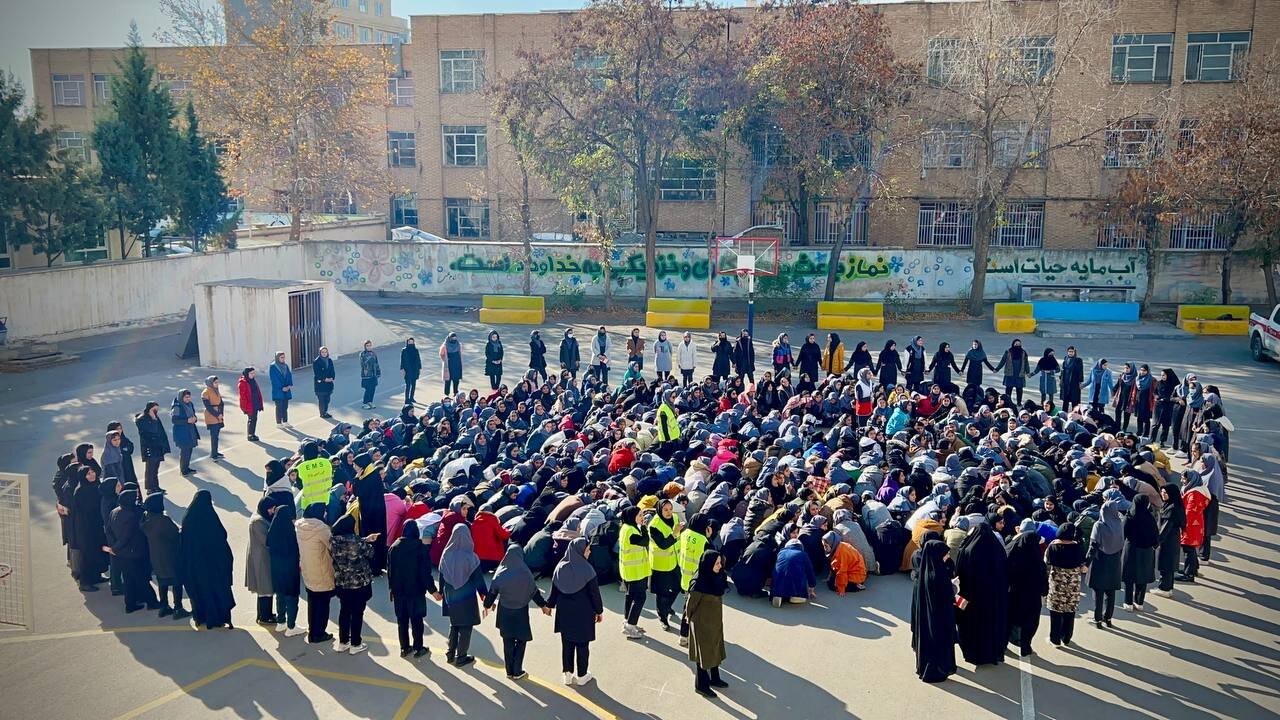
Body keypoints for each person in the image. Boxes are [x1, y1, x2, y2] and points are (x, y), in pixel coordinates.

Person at [484, 544, 549, 679]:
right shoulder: (525, 572)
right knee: (521, 640)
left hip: (504, 611)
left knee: (507, 641)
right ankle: (517, 670)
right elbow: (534, 592)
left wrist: (487, 605)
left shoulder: (501, 571)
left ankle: (509, 671)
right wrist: (543, 606)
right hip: (520, 612)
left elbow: (492, 592)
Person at [547, 537, 603, 687]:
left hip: (564, 613)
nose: (589, 552)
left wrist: (549, 605)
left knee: (567, 643)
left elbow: (554, 592)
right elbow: (594, 594)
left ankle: (567, 673)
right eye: (587, 549)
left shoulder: (560, 567)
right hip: (583, 613)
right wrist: (599, 611)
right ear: (580, 550)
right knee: (582, 645)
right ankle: (582, 675)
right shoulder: (587, 570)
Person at [954, 514, 1009, 666]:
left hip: (970, 599)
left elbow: (958, 573)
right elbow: (1004, 575)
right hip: (993, 599)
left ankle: (972, 654)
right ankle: (991, 655)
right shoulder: (997, 550)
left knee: (971, 627)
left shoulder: (967, 550)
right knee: (990, 627)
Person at [180, 490, 236, 629]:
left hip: (196, 566)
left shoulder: (188, 519)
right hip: (214, 566)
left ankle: (202, 618)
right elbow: (222, 536)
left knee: (201, 592)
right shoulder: (211, 518)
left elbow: (184, 544)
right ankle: (219, 618)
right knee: (217, 592)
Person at [387, 519, 438, 658]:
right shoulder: (420, 548)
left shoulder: (394, 547)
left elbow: (390, 571)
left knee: (402, 620)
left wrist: (392, 589)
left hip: (399, 592)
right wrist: (433, 590)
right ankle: (418, 647)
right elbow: (425, 573)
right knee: (417, 620)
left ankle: (404, 648)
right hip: (416, 592)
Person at [438, 524, 487, 667]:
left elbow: (441, 576)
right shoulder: (471, 557)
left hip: (450, 595)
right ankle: (461, 657)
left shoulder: (445, 554)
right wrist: (484, 595)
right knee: (466, 626)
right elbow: (478, 579)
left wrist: (440, 592)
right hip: (466, 596)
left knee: (454, 623)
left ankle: (450, 653)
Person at [106, 486, 157, 613]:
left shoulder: (114, 512)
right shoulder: (131, 515)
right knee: (142, 578)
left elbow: (109, 530)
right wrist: (115, 548)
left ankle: (130, 604)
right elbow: (126, 536)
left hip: (123, 554)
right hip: (134, 552)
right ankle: (152, 602)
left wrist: (114, 547)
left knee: (128, 580)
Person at [331, 514, 377, 654]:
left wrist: (364, 539)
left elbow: (349, 544)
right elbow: (370, 553)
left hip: (342, 582)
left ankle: (343, 642)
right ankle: (356, 644)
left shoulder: (333, 541)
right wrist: (367, 542)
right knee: (357, 613)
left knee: (344, 611)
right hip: (359, 583)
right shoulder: (356, 541)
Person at [912, 539, 957, 683]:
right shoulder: (938, 574)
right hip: (939, 618)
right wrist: (954, 587)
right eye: (945, 554)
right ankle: (937, 671)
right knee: (939, 644)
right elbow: (947, 595)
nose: (947, 556)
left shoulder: (925, 573)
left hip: (927, 618)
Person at [686, 550, 729, 698]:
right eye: (716, 563)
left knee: (715, 649)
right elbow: (690, 604)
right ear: (708, 564)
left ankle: (714, 678)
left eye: (720, 562)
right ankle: (701, 685)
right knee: (703, 654)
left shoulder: (717, 577)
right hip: (702, 624)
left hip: (715, 622)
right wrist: (688, 618)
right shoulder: (699, 583)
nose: (720, 566)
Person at [1005, 519, 1048, 656]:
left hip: (1013, 591)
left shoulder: (1011, 547)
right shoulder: (1035, 550)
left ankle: (1004, 644)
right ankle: (1025, 646)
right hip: (1032, 593)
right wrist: (1044, 590)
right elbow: (1042, 572)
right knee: (1030, 620)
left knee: (1010, 617)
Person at [141, 493, 187, 618]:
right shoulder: (163, 520)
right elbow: (175, 535)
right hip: (170, 555)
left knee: (162, 582)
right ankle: (178, 608)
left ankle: (164, 606)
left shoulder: (146, 520)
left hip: (156, 556)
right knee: (177, 582)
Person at [296, 503, 336, 644]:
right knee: (323, 604)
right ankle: (319, 633)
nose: (326, 514)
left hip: (308, 569)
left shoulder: (299, 526)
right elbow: (332, 546)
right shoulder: (321, 529)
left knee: (312, 602)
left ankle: (312, 631)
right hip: (321, 571)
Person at [267, 502, 305, 636]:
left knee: (280, 595)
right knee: (292, 598)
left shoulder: (272, 531)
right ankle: (291, 626)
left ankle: (281, 621)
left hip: (276, 570)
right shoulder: (290, 532)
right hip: (290, 570)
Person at [1045, 522, 1086, 646]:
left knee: (1056, 611)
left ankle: (1055, 639)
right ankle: (1066, 637)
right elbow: (1082, 563)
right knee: (1070, 610)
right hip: (1073, 584)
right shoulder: (1077, 547)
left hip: (1057, 583)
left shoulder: (1053, 546)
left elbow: (1046, 561)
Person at [1087, 499, 1124, 628]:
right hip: (1115, 561)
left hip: (1100, 561)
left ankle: (1097, 619)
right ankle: (1108, 618)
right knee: (1111, 592)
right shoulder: (1119, 523)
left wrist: (1086, 563)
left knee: (1098, 592)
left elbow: (1093, 546)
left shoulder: (1099, 525)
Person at [648, 498, 682, 630]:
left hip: (674, 561)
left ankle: (667, 607)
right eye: (665, 510)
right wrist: (675, 533)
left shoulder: (675, 518)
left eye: (670, 509)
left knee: (677, 587)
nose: (669, 512)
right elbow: (663, 544)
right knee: (662, 594)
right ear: (659, 510)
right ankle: (662, 617)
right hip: (660, 565)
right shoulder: (654, 525)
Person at [618, 505, 650, 639]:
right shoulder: (631, 530)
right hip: (636, 571)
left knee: (630, 596)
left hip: (629, 569)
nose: (643, 518)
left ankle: (628, 621)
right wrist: (644, 528)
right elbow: (645, 541)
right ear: (632, 517)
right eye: (640, 515)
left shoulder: (626, 528)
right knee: (640, 597)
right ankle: (630, 626)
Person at [1121, 494, 1158, 611]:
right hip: (1146, 551)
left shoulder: (1130, 517)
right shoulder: (1150, 518)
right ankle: (1139, 602)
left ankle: (1128, 603)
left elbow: (1123, 534)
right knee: (1142, 577)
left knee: (1129, 577)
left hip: (1131, 550)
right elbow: (1156, 537)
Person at [246, 497, 277, 627]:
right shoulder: (258, 522)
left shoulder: (260, 517)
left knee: (265, 587)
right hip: (261, 559)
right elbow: (266, 541)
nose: (272, 511)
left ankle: (265, 614)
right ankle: (265, 616)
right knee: (265, 588)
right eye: (271, 509)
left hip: (262, 557)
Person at [1151, 483, 1184, 598]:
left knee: (1165, 564)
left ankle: (1163, 588)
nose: (1163, 494)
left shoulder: (1171, 509)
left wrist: (1156, 542)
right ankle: (1168, 587)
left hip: (1168, 540)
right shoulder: (1173, 504)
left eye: (1166, 493)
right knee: (1169, 565)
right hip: (1173, 538)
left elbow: (1165, 528)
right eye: (1162, 492)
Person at [1178, 470, 1210, 582]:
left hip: (1190, 525)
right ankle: (1193, 568)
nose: (1182, 481)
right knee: (1190, 548)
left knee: (1188, 549)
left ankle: (1189, 574)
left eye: (1184, 478)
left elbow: (1190, 512)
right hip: (1195, 524)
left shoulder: (1194, 493)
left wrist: (1182, 524)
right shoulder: (1199, 490)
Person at [770, 532, 816, 607]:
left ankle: (778, 595)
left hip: (778, 583)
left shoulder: (781, 552)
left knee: (781, 574)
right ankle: (795, 597)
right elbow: (810, 572)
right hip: (794, 584)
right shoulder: (803, 554)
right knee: (800, 572)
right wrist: (811, 588)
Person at [136, 401, 171, 491]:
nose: (156, 411)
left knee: (155, 468)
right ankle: (150, 488)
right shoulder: (142, 419)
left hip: (157, 446)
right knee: (150, 469)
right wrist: (153, 419)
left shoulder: (155, 417)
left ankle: (156, 486)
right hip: (149, 447)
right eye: (154, 409)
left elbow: (160, 431)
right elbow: (152, 431)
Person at [823, 531, 867, 595]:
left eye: (826, 546)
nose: (824, 548)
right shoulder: (838, 546)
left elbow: (842, 571)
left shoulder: (842, 553)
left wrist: (841, 589)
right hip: (850, 570)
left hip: (855, 574)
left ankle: (856, 586)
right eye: (824, 545)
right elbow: (834, 565)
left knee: (831, 586)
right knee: (831, 581)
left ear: (832, 543)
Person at [170, 390, 200, 476]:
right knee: (185, 452)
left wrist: (195, 419)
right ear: (181, 397)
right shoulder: (177, 407)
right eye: (186, 397)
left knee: (189, 450)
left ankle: (186, 467)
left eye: (189, 397)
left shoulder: (190, 404)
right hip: (182, 433)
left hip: (190, 431)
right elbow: (174, 420)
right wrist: (187, 420)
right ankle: (183, 470)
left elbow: (193, 414)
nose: (188, 399)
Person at [993, 339, 1030, 405]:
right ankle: (1008, 402)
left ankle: (1019, 403)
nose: (1017, 345)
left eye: (1019, 344)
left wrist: (1028, 372)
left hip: (1019, 374)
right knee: (1009, 388)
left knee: (1019, 389)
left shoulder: (1023, 352)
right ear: (1013, 344)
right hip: (1010, 373)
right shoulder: (1008, 352)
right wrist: (997, 369)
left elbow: (1026, 363)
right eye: (1016, 344)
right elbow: (1003, 361)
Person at [200, 376, 225, 460]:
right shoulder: (206, 392)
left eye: (217, 382)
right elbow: (208, 407)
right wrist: (217, 414)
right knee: (214, 435)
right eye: (215, 382)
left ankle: (215, 451)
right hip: (211, 416)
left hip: (218, 415)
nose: (217, 384)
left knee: (216, 435)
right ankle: (213, 454)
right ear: (211, 383)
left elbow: (221, 403)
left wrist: (221, 413)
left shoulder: (216, 391)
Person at [237, 368, 265, 442]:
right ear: (247, 374)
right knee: (251, 419)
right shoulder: (243, 383)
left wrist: (260, 403)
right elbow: (242, 397)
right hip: (249, 405)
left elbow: (257, 392)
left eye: (253, 373)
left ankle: (252, 433)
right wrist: (245, 407)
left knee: (254, 419)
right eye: (251, 373)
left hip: (255, 403)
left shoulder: (253, 381)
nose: (253, 375)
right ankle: (250, 435)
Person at [1153, 368, 1179, 445]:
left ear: (1168, 375)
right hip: (1158, 406)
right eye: (1161, 375)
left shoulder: (1175, 385)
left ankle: (1162, 441)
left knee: (1166, 425)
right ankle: (1152, 440)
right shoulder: (1159, 383)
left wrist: (1165, 399)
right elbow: (1155, 392)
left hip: (1168, 407)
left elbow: (1175, 396)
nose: (1162, 377)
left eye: (1164, 375)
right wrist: (1156, 396)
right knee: (1155, 424)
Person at [268, 351, 294, 426]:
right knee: (279, 406)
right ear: (277, 358)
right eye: (281, 357)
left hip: (286, 389)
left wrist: (289, 385)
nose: (283, 359)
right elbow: (274, 379)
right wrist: (281, 387)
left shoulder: (285, 366)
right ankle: (279, 422)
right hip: (278, 390)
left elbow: (289, 375)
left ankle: (285, 421)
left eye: (284, 357)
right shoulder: (273, 366)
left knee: (285, 406)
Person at [312, 347, 336, 418]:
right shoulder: (316, 362)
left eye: (325, 352)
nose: (324, 353)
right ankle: (322, 413)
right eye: (322, 352)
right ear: (320, 353)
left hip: (329, 383)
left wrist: (332, 377)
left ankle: (325, 411)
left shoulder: (329, 360)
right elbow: (317, 373)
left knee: (327, 399)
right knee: (322, 400)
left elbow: (332, 370)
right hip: (320, 384)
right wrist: (324, 379)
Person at [360, 340, 381, 409]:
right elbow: (363, 364)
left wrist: (378, 372)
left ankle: (370, 401)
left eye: (370, 345)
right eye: (367, 346)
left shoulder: (373, 353)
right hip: (366, 375)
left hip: (373, 374)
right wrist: (369, 359)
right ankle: (365, 403)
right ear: (365, 346)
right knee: (368, 389)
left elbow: (376, 363)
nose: (369, 347)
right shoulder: (362, 354)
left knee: (373, 388)